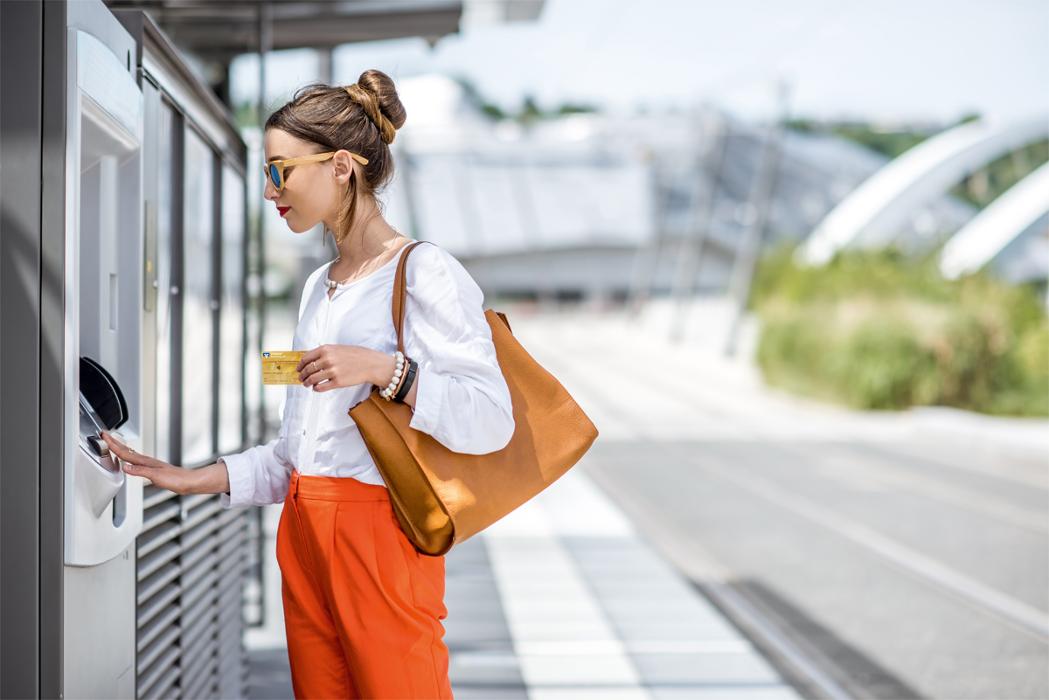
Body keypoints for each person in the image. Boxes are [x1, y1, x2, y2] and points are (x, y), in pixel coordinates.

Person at [101, 69, 515, 699]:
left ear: (341, 166)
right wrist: (190, 477)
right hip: (302, 528)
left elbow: (492, 418)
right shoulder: (316, 289)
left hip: (379, 537)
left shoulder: (423, 271)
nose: (271, 191)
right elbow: (298, 457)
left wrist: (387, 371)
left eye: (280, 170)